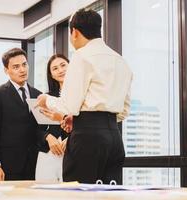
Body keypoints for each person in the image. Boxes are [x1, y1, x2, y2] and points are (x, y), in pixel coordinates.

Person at [37, 9, 133, 184]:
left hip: (87, 139)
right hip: (114, 138)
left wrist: (46, 100)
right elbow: (124, 111)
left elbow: (69, 105)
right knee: (109, 194)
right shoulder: (121, 60)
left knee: (78, 191)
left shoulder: (82, 56)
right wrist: (89, 119)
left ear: (74, 32)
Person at [0, 48, 44, 181]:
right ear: (6, 70)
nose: (22, 70)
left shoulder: (38, 95)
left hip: (35, 165)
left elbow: (39, 129)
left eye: (24, 64)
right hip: (8, 166)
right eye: (16, 67)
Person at [35, 54, 70, 182]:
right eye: (55, 68)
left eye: (63, 65)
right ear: (51, 75)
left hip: (72, 150)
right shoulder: (45, 98)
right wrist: (48, 137)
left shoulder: (81, 96)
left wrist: (71, 138)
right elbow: (35, 129)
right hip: (48, 153)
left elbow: (87, 123)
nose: (60, 70)